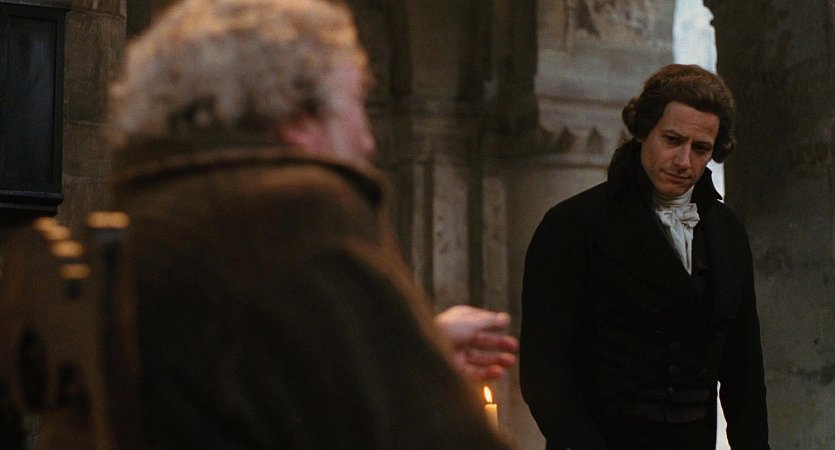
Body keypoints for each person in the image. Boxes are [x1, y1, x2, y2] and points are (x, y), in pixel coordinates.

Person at [107, 0, 514, 448]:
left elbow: (261, 377)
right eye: (356, 103)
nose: (368, 141)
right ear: (298, 113)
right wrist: (426, 379)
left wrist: (419, 349)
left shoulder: (151, 211)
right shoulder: (295, 212)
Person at [519, 64, 770, 450]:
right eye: (672, 140)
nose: (684, 161)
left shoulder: (727, 232)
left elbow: (743, 368)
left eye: (700, 148)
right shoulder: (573, 224)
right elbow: (544, 371)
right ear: (643, 132)